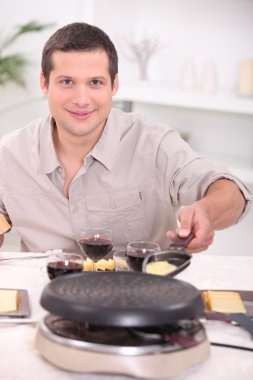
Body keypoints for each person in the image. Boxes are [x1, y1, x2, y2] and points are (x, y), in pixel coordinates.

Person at [0, 22, 251, 254]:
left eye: (95, 82)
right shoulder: (10, 154)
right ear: (44, 83)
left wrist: (206, 211)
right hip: (45, 297)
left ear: (114, 85)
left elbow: (232, 191)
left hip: (142, 296)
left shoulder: (153, 143)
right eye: (67, 82)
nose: (82, 99)